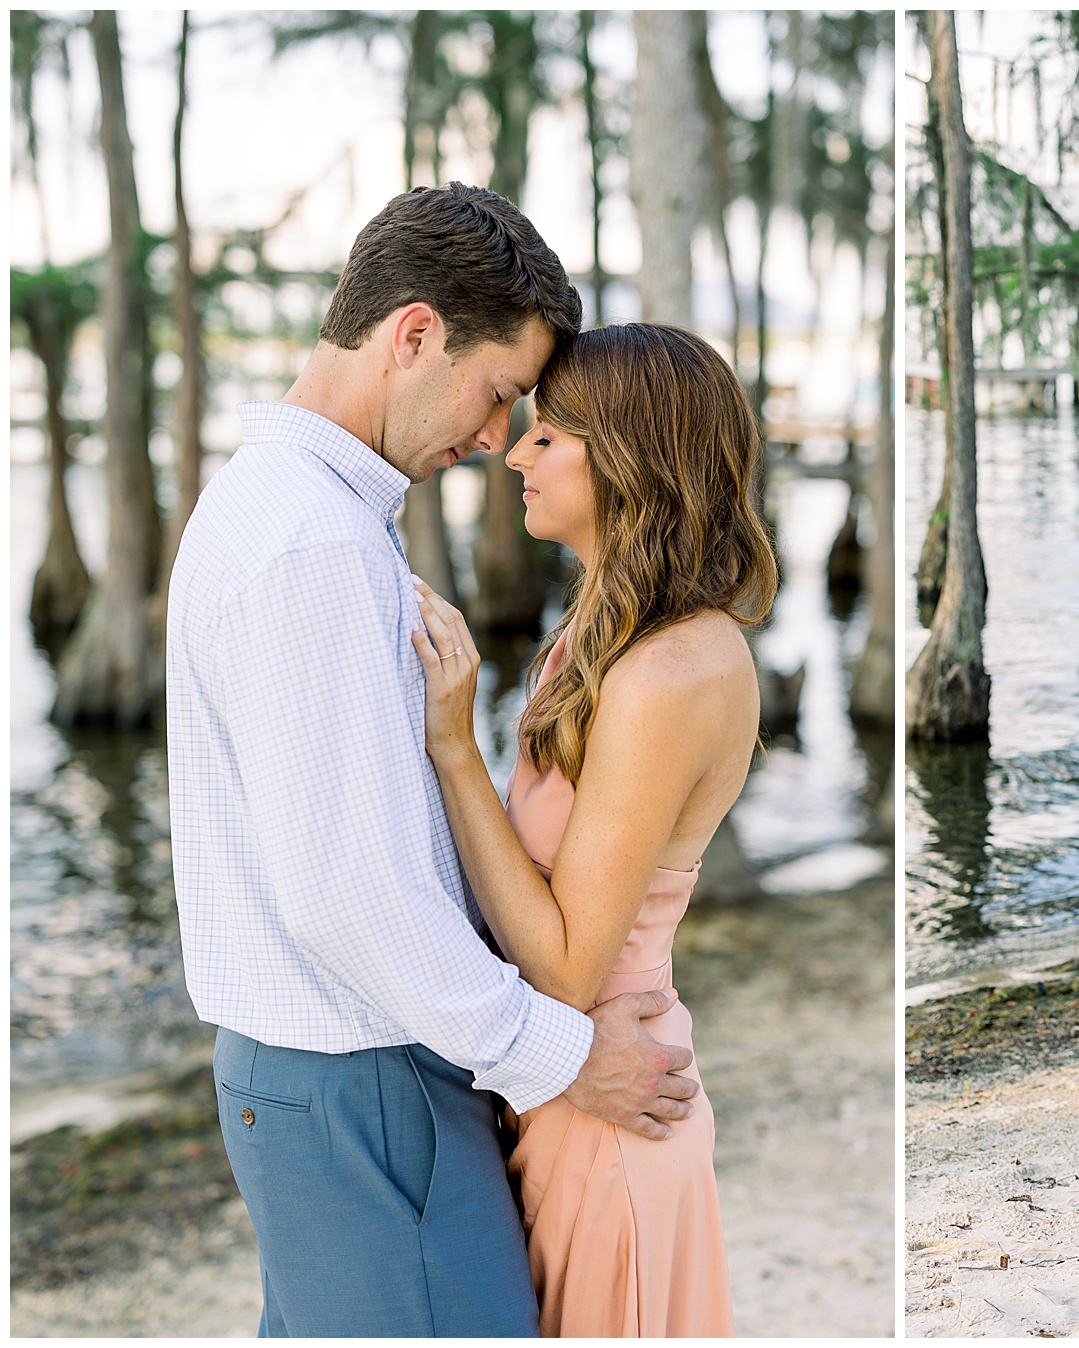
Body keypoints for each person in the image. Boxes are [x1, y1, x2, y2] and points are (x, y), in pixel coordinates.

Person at [167, 184, 701, 1336]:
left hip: (331, 1075)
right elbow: (344, 892)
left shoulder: (280, 507)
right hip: (365, 1079)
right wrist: (558, 1057)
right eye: (499, 391)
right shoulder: (311, 541)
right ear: (414, 335)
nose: (497, 436)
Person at [410, 321, 775, 1336]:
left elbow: (571, 964)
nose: (515, 454)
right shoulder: (594, 638)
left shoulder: (668, 671)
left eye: (550, 436)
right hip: (567, 1086)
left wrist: (452, 746)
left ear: (630, 459)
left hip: (607, 1112)